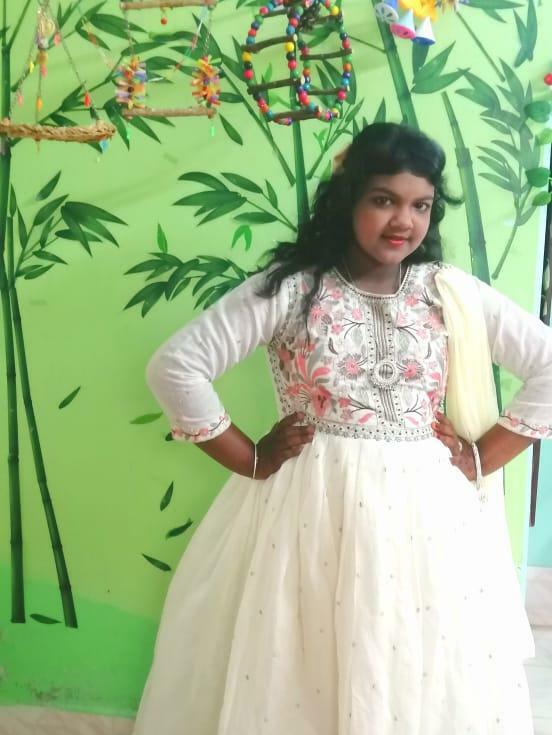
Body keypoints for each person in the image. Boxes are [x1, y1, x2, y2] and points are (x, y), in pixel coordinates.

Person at [133, 122, 552, 735]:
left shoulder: (448, 293)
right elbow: (176, 366)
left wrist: (484, 456)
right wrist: (248, 457)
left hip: (427, 518)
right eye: (384, 199)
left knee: (417, 655)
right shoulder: (293, 290)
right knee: (302, 658)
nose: (403, 221)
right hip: (311, 506)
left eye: (421, 205)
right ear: (347, 199)